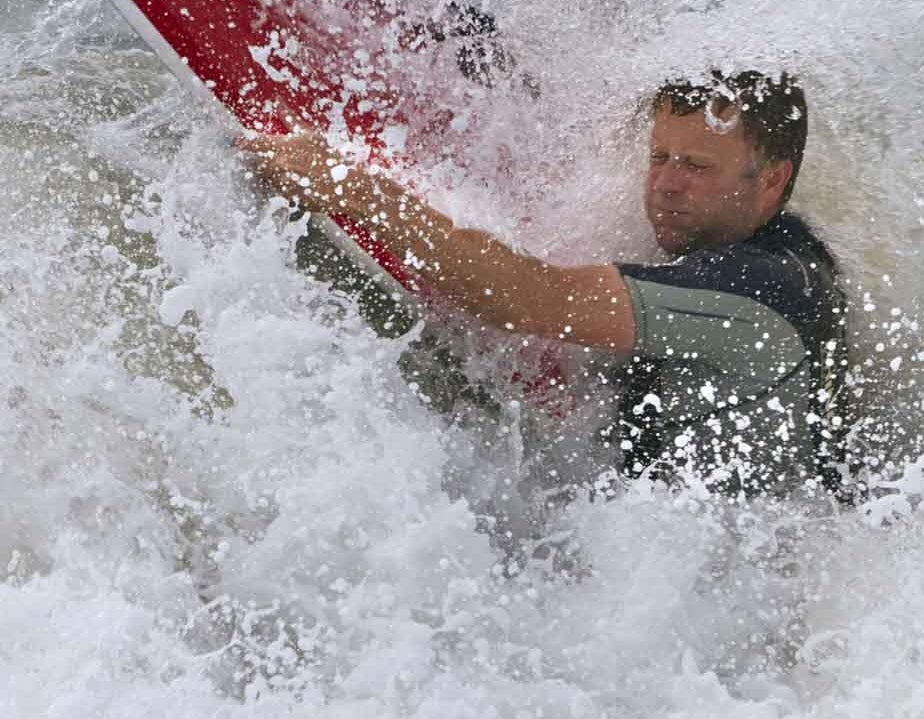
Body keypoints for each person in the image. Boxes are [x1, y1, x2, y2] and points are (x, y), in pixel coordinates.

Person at [240, 70, 853, 494]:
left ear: (771, 180)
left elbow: (531, 300)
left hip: (704, 602)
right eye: (659, 158)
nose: (666, 184)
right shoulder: (781, 253)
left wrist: (348, 187)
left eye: (695, 167)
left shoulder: (760, 288)